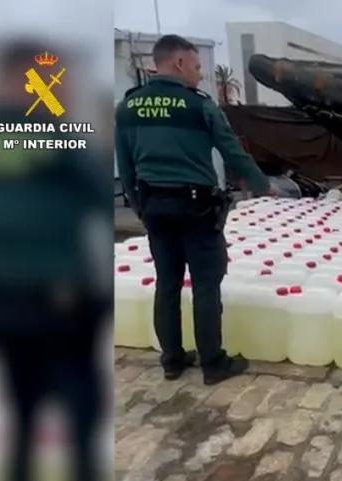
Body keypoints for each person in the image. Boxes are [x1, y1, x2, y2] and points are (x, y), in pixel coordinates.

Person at [0, 41, 109, 481]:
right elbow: (97, 190)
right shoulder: (44, 133)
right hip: (57, 305)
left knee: (22, 420)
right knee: (80, 425)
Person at [115, 34, 272, 385]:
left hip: (153, 205)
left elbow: (125, 167)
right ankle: (213, 364)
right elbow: (232, 152)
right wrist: (263, 185)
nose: (200, 75)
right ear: (180, 63)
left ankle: (172, 360)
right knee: (205, 285)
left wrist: (140, 206)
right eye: (197, 66)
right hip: (196, 208)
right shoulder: (199, 105)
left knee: (166, 283)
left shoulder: (128, 107)